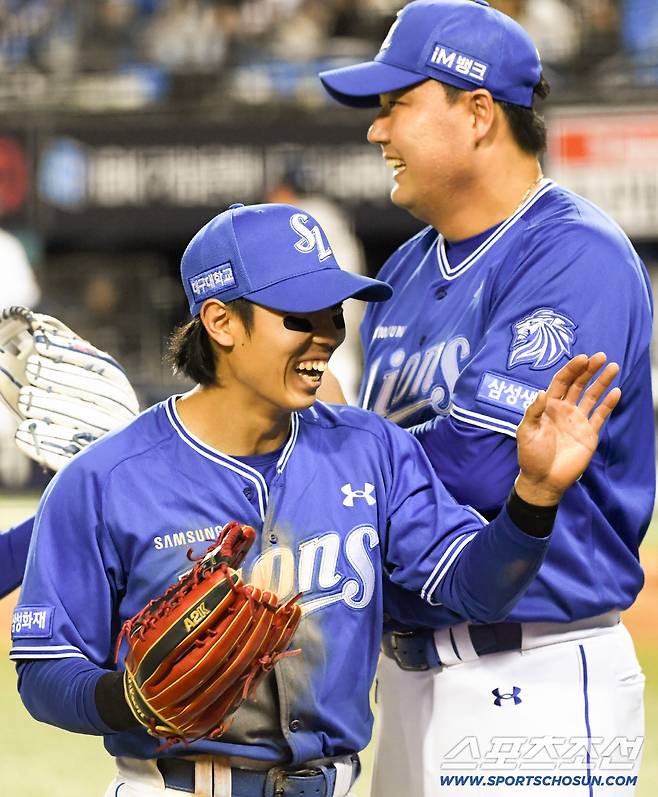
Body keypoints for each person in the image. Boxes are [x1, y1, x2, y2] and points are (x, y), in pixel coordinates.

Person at [10, 202, 619, 797]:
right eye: (299, 317)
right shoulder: (103, 481)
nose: (326, 336)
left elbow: (477, 590)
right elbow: (44, 670)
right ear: (221, 322)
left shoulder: (371, 448)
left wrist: (534, 496)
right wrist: (123, 701)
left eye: (334, 315)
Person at [318, 1, 654, 794]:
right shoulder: (401, 271)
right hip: (409, 674)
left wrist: (324, 455)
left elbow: (479, 466)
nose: (377, 130)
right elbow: (394, 469)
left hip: (532, 671)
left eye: (397, 103)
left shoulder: (574, 253)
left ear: (477, 113)